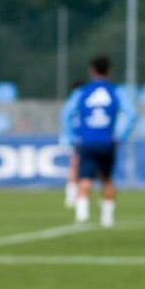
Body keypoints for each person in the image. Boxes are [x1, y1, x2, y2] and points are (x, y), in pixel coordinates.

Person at [64, 56, 134, 227]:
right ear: (109, 71)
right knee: (107, 179)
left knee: (85, 178)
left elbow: (66, 114)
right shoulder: (116, 92)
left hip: (86, 142)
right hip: (107, 142)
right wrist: (120, 136)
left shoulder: (81, 92)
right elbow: (131, 114)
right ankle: (107, 218)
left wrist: (73, 137)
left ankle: (82, 216)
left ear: (92, 71)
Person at [57, 81, 82, 209]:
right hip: (81, 137)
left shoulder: (70, 101)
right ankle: (76, 196)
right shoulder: (82, 98)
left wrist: (68, 136)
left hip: (72, 138)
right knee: (81, 166)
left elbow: (64, 119)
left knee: (74, 165)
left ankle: (71, 195)